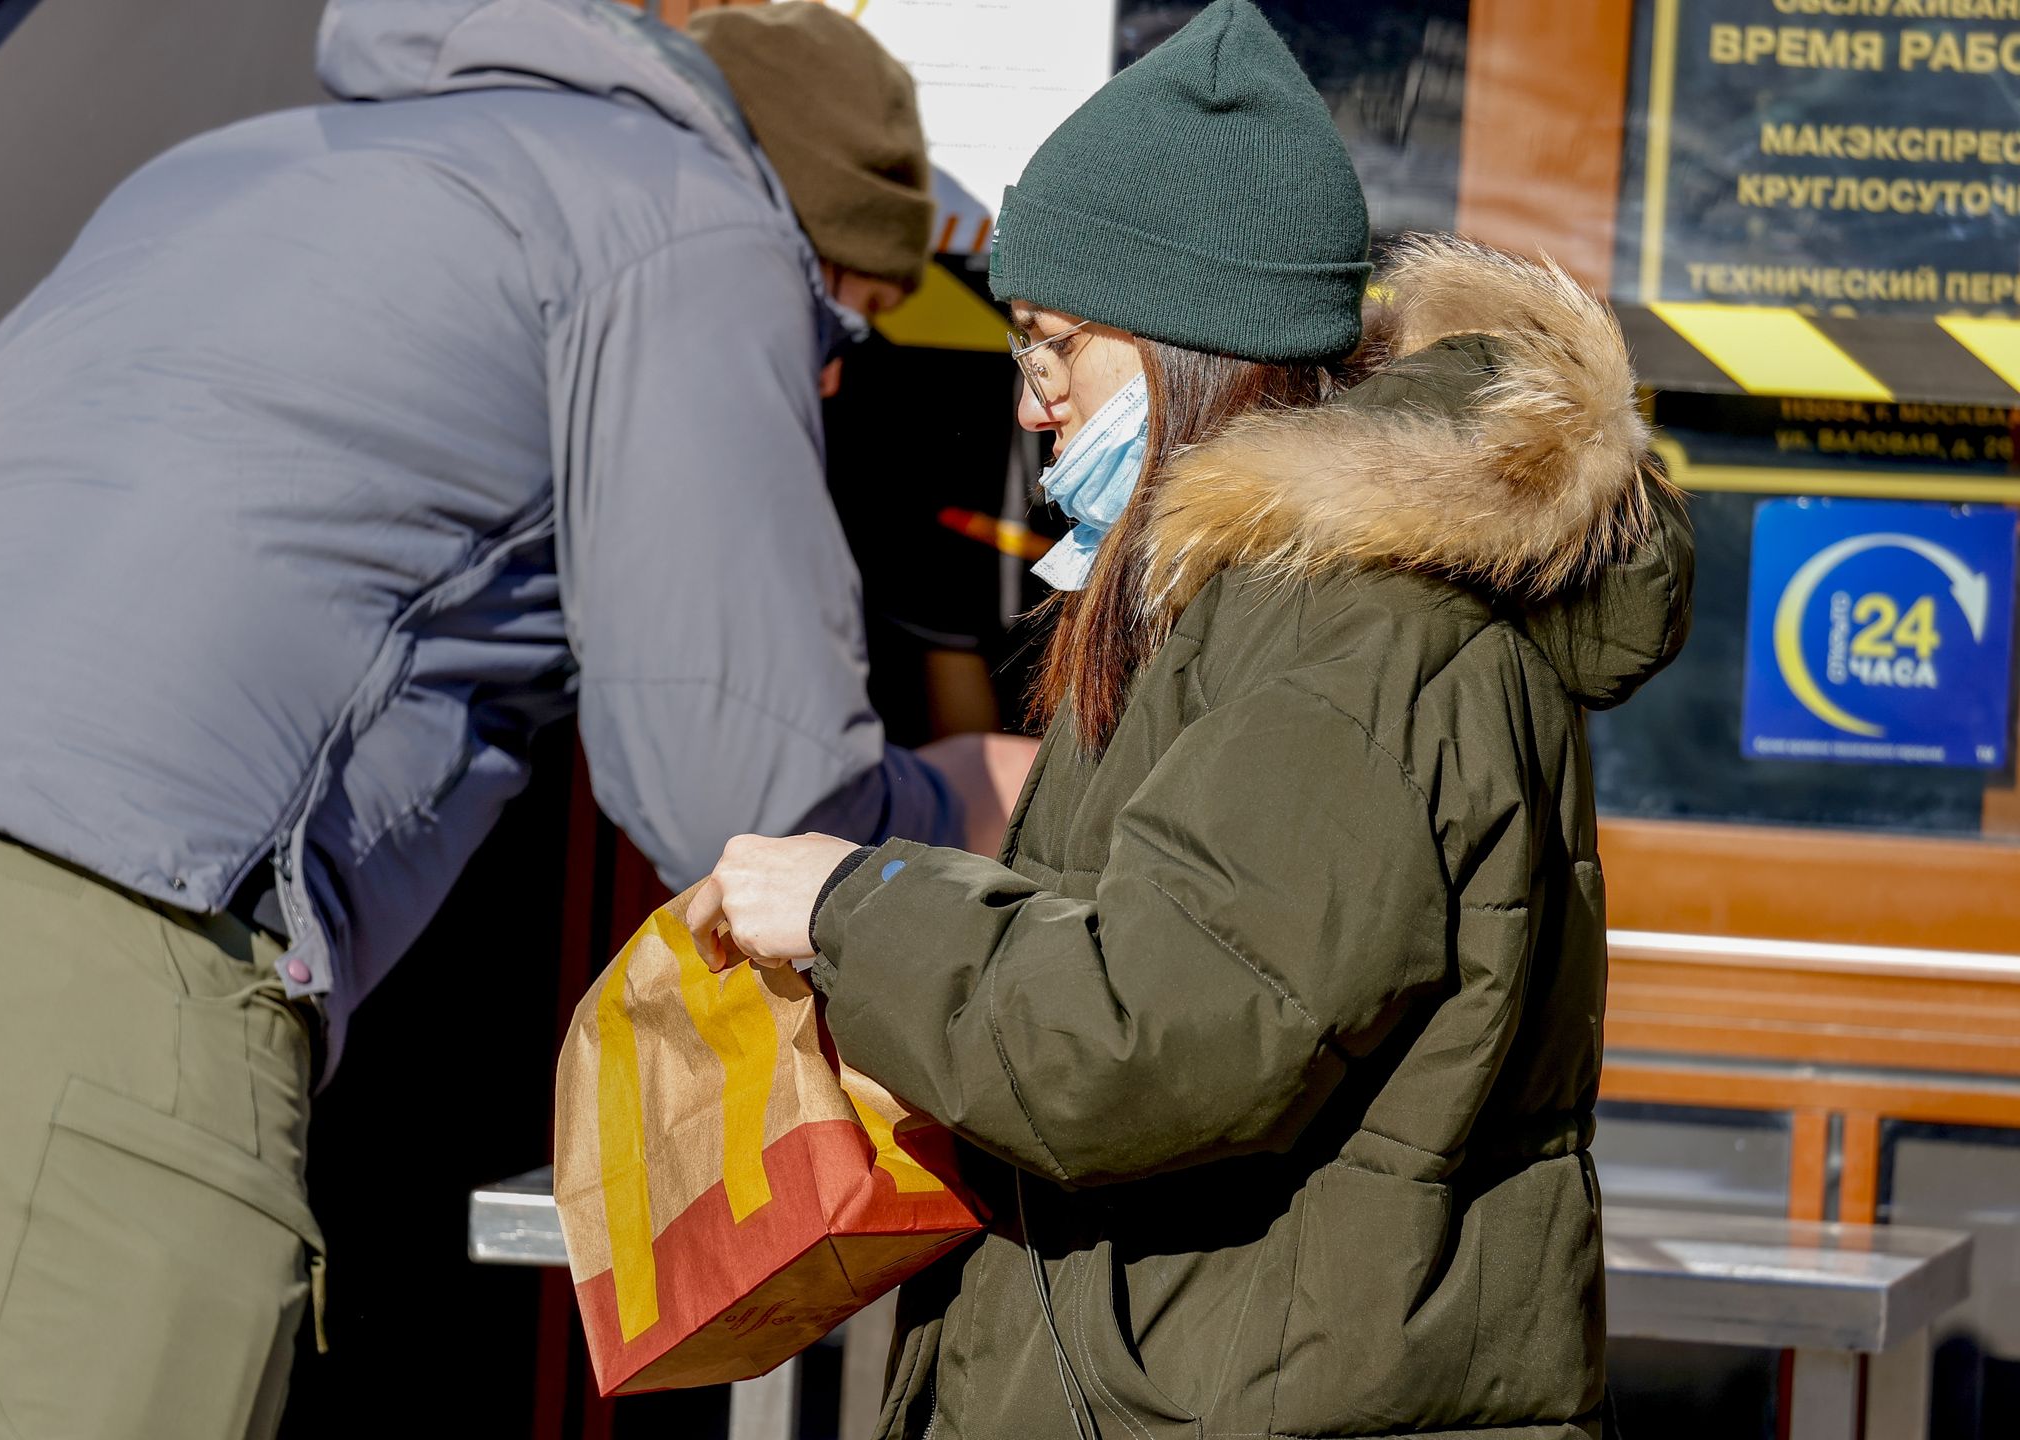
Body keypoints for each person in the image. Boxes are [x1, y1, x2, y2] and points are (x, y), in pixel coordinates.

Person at [0, 2, 1036, 1435]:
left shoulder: (239, 160)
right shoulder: (696, 224)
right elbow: (742, 796)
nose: (833, 379)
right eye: (841, 323)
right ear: (806, 240)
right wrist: (964, 802)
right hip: (115, 941)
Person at [690, 3, 1695, 1436]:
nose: (1034, 406)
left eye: (1055, 350)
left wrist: (861, 904)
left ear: (1187, 343)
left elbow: (1148, 1037)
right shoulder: (1259, 602)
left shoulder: (1349, 627)